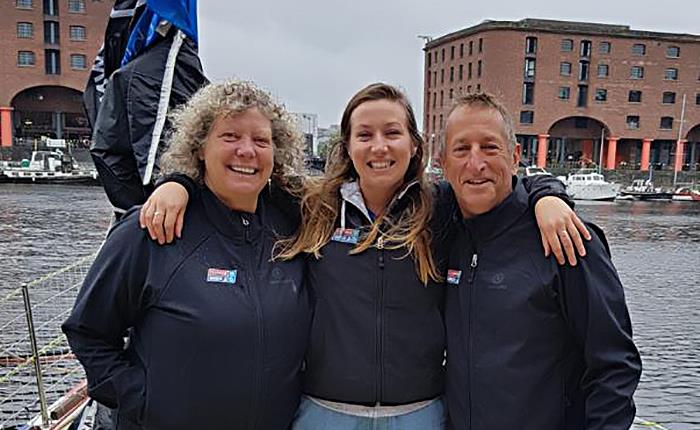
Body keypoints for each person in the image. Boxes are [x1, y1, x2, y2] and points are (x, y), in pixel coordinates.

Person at [141, 83, 590, 429]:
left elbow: (499, 184)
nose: (379, 146)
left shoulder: (443, 209)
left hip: (420, 414)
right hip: (324, 413)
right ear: (348, 146)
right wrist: (176, 181)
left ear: (414, 145)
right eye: (365, 135)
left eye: (392, 133)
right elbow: (239, 175)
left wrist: (548, 196)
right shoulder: (310, 206)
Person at [62, 80, 311, 430]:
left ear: (277, 152)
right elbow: (88, 333)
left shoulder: (292, 229)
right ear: (199, 148)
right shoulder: (152, 229)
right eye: (229, 137)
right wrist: (145, 400)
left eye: (261, 140)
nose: (246, 150)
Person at [439, 93, 642, 430]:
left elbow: (615, 365)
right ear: (443, 162)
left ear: (515, 156)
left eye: (490, 148)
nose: (476, 164)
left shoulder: (566, 239)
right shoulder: (445, 234)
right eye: (462, 150)